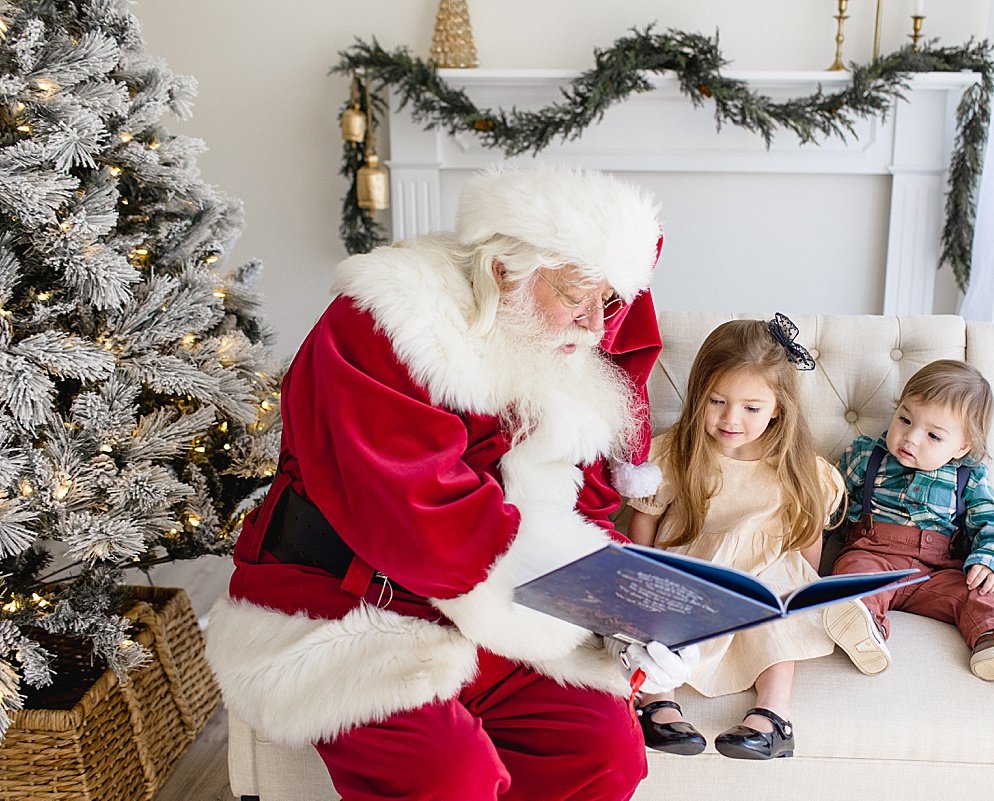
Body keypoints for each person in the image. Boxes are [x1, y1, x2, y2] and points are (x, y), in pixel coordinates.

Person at [203, 166, 700, 801]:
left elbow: (591, 510)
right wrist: (587, 608)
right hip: (351, 611)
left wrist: (625, 626)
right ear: (503, 270)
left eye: (607, 302)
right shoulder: (388, 324)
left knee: (600, 749)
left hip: (501, 620)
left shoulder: (572, 356)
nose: (593, 325)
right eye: (575, 295)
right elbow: (428, 520)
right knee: (448, 776)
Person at [626, 314, 846, 760]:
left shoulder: (796, 465)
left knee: (778, 618)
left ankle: (772, 715)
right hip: (694, 570)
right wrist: (641, 575)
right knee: (663, 627)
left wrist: (807, 587)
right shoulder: (678, 452)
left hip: (761, 579)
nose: (731, 419)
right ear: (699, 394)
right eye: (717, 401)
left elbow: (807, 535)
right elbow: (645, 518)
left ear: (778, 408)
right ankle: (656, 702)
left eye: (751, 408)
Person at [822, 359, 994, 681]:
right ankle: (864, 630)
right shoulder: (866, 457)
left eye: (933, 436)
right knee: (854, 576)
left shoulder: (968, 479)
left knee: (974, 594)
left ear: (961, 446)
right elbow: (828, 503)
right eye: (905, 419)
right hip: (873, 555)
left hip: (936, 575)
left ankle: (993, 642)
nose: (910, 438)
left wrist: (989, 560)